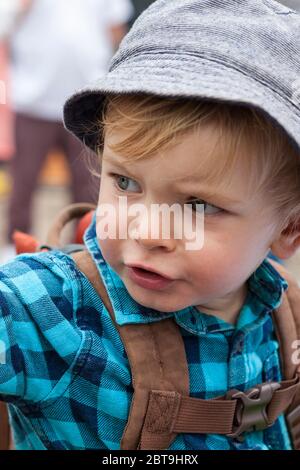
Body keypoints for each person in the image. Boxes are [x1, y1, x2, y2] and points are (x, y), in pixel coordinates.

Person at [0, 0, 300, 451]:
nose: (146, 231)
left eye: (197, 205)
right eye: (125, 181)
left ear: (289, 229)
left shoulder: (288, 314)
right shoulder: (54, 311)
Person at [5, 0, 134, 255]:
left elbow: (116, 29)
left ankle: (85, 249)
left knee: (89, 184)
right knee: (23, 181)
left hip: (87, 98)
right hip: (33, 100)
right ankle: (12, 250)